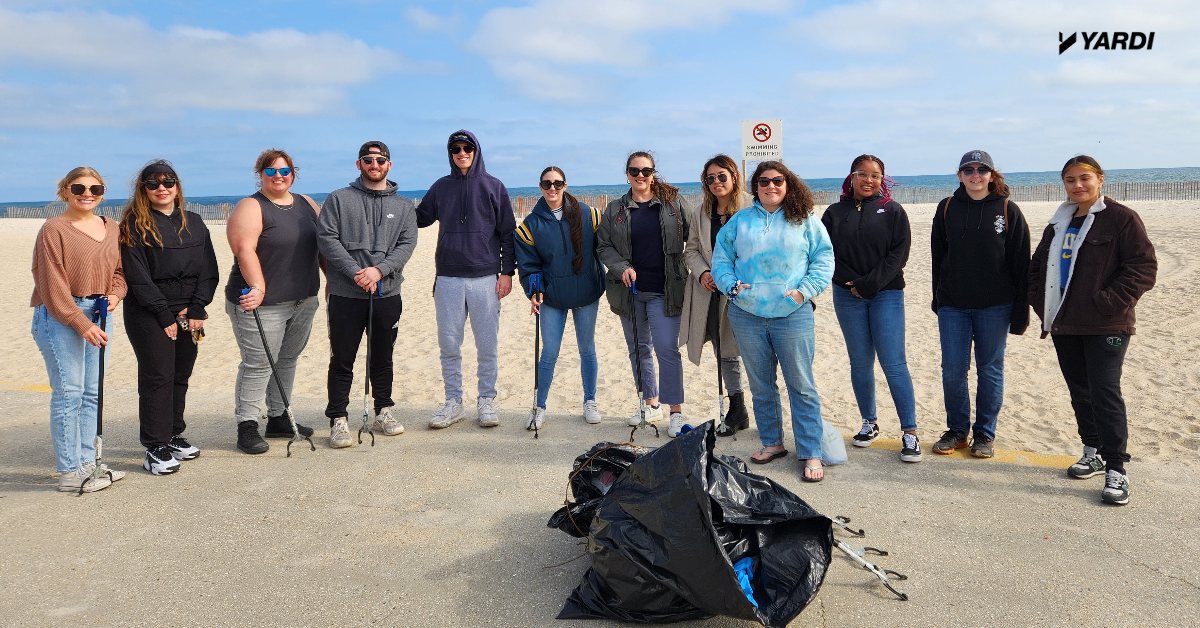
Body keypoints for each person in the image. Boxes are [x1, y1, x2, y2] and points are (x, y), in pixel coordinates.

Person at [1029, 155, 1156, 505]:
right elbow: (1038, 266)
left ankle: (1117, 469)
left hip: (1106, 324)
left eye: (1084, 178)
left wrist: (1108, 302)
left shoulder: (1121, 218)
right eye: (1070, 180)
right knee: (1080, 392)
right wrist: (1041, 303)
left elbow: (1143, 268)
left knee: (1105, 393)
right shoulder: (1059, 222)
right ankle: (1093, 451)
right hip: (1064, 324)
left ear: (1100, 180)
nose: (1077, 186)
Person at [711, 160, 834, 482]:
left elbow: (823, 259)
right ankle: (772, 442)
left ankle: (810, 451)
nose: (771, 186)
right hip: (747, 315)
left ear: (787, 183)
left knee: (801, 385)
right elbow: (721, 260)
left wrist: (803, 292)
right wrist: (732, 288)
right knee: (761, 385)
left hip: (793, 315)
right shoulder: (740, 221)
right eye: (764, 181)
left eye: (778, 180)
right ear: (755, 187)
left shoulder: (805, 220)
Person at [31, 167, 128, 492]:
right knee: (69, 393)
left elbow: (118, 270)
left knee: (91, 394)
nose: (87, 193)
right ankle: (70, 474)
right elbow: (51, 283)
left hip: (101, 313)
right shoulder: (53, 229)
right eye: (79, 187)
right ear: (65, 191)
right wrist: (80, 322)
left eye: (96, 188)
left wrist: (115, 295)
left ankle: (90, 464)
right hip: (61, 315)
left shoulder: (111, 227)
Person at [119, 160, 219, 474]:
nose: (162, 188)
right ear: (143, 189)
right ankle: (155, 446)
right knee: (158, 375)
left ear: (177, 186)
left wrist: (198, 307)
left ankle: (173, 433)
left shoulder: (195, 221)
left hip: (189, 308)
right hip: (150, 310)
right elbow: (137, 277)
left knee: (180, 373)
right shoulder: (134, 224)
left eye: (168, 181)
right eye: (153, 183)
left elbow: (209, 269)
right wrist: (163, 314)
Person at [316, 141, 418, 448]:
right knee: (342, 358)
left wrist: (380, 270)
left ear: (389, 165)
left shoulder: (403, 206)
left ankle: (383, 410)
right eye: (368, 159)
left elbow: (406, 244)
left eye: (381, 160)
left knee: (382, 356)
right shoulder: (338, 199)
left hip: (387, 293)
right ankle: (338, 419)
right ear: (359, 164)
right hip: (347, 295)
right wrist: (356, 272)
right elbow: (327, 238)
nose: (375, 164)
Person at [930, 150, 1030, 459]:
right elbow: (937, 257)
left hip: (996, 306)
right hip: (954, 306)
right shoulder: (946, 208)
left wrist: (1020, 311)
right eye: (969, 169)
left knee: (990, 370)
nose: (976, 175)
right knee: (953, 371)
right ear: (959, 175)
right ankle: (958, 431)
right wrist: (939, 299)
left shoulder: (1007, 209)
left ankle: (984, 434)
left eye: (982, 169)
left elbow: (1021, 263)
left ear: (991, 174)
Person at [821, 155, 921, 463]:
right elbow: (824, 252)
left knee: (893, 363)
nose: (868, 180)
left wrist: (869, 284)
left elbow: (898, 254)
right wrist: (850, 282)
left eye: (875, 175)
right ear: (851, 177)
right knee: (860, 362)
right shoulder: (835, 212)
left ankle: (910, 431)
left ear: (882, 179)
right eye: (862, 174)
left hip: (886, 293)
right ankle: (869, 422)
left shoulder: (892, 211)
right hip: (846, 294)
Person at [417, 130, 516, 429]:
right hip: (447, 277)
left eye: (467, 148)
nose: (462, 153)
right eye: (456, 149)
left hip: (485, 278)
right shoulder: (440, 187)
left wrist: (507, 272)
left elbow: (508, 234)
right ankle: (453, 402)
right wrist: (389, 198)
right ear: (450, 153)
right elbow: (419, 218)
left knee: (487, 345)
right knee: (449, 345)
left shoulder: (494, 186)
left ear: (476, 151)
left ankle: (486, 401)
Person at [225, 149, 322, 454]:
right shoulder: (251, 206)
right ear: (261, 174)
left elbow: (322, 245)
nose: (278, 176)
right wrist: (259, 287)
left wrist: (333, 280)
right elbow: (244, 249)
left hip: (302, 298)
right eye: (271, 171)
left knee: (287, 359)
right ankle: (247, 426)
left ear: (293, 173)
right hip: (259, 303)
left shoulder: (307, 204)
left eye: (284, 170)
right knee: (258, 364)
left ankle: (279, 417)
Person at [597, 151, 692, 437]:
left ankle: (675, 410)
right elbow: (603, 246)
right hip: (629, 291)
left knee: (666, 348)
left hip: (666, 289)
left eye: (646, 171)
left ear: (653, 173)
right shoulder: (615, 209)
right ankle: (651, 404)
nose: (640, 176)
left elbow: (696, 235)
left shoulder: (673, 204)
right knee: (639, 349)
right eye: (634, 171)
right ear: (626, 174)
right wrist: (620, 266)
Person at [514, 167, 606, 430]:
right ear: (540, 187)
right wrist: (534, 291)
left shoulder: (589, 214)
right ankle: (539, 406)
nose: (552, 188)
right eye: (547, 183)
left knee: (587, 349)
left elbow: (609, 245)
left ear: (565, 185)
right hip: (552, 296)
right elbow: (528, 264)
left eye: (557, 183)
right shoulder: (531, 224)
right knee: (550, 352)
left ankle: (590, 401)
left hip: (586, 292)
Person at [678, 154, 750, 436]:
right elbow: (691, 250)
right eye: (710, 178)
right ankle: (738, 408)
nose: (717, 182)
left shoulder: (751, 207)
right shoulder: (701, 212)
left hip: (744, 293)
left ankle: (766, 412)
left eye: (722, 176)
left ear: (734, 176)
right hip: (712, 293)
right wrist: (704, 274)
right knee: (725, 352)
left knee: (754, 352)